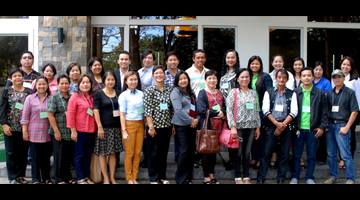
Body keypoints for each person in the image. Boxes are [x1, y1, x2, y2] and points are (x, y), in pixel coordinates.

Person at [257, 68, 298, 184]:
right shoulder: (269, 92)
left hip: (286, 126)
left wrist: (282, 125)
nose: (281, 79)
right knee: (266, 152)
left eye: (284, 77)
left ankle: (281, 178)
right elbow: (265, 109)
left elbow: (294, 111)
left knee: (284, 153)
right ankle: (261, 178)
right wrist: (276, 124)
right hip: (272, 125)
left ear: (287, 79)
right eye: (279, 77)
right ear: (275, 78)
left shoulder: (292, 93)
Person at [290, 67, 328, 184]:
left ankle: (309, 177)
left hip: (313, 129)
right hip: (299, 129)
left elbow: (324, 112)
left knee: (311, 155)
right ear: (301, 77)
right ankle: (295, 176)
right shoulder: (296, 92)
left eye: (309, 75)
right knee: (297, 155)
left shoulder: (320, 93)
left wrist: (322, 127)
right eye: (304, 75)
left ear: (312, 77)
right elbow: (291, 111)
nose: (306, 78)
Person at [226, 68, 261, 184]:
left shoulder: (253, 92)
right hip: (238, 127)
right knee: (238, 153)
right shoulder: (234, 92)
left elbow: (256, 111)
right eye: (242, 77)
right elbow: (229, 111)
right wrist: (233, 127)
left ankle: (246, 177)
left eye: (247, 77)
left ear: (250, 78)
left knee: (247, 153)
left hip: (251, 127)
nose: (244, 79)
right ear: (238, 79)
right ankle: (237, 177)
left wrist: (258, 127)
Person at [324, 69, 358, 184]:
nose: (337, 79)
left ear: (344, 78)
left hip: (342, 125)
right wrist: (325, 125)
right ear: (332, 79)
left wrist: (347, 127)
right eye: (334, 77)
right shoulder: (329, 93)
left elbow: (354, 111)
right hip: (330, 125)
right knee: (331, 153)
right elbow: (325, 110)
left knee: (345, 154)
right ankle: (333, 176)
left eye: (339, 77)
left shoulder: (350, 92)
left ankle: (350, 179)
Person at [0, 67, 32, 184]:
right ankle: (12, 177)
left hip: (24, 128)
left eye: (19, 75)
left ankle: (20, 176)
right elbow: (2, 109)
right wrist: (4, 124)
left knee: (23, 152)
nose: (17, 78)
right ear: (10, 79)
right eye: (15, 76)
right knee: (11, 152)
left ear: (23, 78)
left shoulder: (28, 92)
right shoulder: (6, 91)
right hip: (10, 127)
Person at [144, 65, 174, 184]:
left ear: (164, 75)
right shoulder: (149, 90)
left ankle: (162, 177)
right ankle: (153, 178)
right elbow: (148, 110)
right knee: (153, 153)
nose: (159, 75)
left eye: (161, 73)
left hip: (166, 127)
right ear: (153, 76)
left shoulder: (169, 90)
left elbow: (172, 110)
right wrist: (150, 127)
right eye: (156, 73)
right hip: (154, 127)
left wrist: (173, 126)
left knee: (163, 153)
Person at [21, 76, 53, 184]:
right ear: (35, 85)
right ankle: (36, 179)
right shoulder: (30, 98)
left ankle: (46, 178)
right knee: (35, 159)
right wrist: (24, 131)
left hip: (47, 133)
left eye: (44, 84)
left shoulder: (51, 98)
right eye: (39, 84)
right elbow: (25, 117)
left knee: (46, 158)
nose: (41, 86)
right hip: (33, 133)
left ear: (47, 85)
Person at [197, 69, 226, 184]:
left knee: (214, 151)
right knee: (205, 151)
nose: (212, 80)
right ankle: (205, 178)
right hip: (207, 126)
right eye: (209, 78)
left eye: (214, 78)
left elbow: (225, 106)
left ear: (217, 80)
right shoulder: (202, 92)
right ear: (205, 80)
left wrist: (223, 111)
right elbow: (202, 110)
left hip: (218, 127)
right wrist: (218, 113)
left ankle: (212, 175)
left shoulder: (219, 92)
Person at [93, 70, 123, 184]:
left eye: (112, 79)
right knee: (103, 153)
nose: (110, 82)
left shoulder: (119, 93)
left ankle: (112, 177)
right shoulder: (99, 93)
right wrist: (99, 127)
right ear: (104, 80)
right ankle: (105, 177)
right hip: (104, 128)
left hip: (116, 128)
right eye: (108, 79)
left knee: (113, 153)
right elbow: (96, 111)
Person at [66, 74, 97, 184]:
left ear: (91, 84)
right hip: (79, 131)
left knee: (88, 154)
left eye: (87, 82)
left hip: (91, 130)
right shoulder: (75, 96)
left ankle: (86, 176)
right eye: (83, 82)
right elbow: (70, 114)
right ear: (79, 85)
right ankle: (80, 178)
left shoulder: (93, 96)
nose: (85, 84)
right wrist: (73, 131)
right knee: (79, 154)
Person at [170, 70, 199, 184]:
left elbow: (194, 107)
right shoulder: (175, 92)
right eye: (180, 79)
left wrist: (196, 120)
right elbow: (178, 110)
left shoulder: (190, 92)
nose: (183, 81)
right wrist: (191, 120)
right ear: (177, 81)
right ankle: (180, 179)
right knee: (184, 150)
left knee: (191, 151)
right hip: (181, 125)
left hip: (192, 125)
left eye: (185, 78)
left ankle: (188, 177)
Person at [113, 50, 141, 168]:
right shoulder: (113, 74)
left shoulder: (134, 75)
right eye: (122, 59)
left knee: (135, 150)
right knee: (119, 139)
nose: (124, 61)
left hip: (132, 112)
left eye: (126, 59)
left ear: (129, 61)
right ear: (118, 61)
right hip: (115, 108)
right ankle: (117, 162)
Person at [268, 54, 295, 169]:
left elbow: (289, 92)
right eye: (276, 61)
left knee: (285, 143)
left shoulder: (289, 76)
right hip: (273, 117)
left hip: (286, 115)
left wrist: (282, 124)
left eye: (280, 61)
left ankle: (285, 161)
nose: (278, 63)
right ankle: (273, 158)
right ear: (272, 63)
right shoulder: (268, 76)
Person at [47, 74, 76, 184]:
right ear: (58, 85)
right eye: (62, 83)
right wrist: (56, 131)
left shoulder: (71, 97)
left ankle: (68, 177)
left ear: (69, 85)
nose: (64, 85)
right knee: (59, 156)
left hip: (69, 131)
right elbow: (50, 115)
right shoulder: (54, 97)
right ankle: (58, 179)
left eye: (66, 83)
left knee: (67, 157)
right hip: (58, 131)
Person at [247, 55, 273, 170]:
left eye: (256, 64)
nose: (254, 66)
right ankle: (254, 157)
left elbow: (270, 94)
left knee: (261, 136)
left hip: (261, 111)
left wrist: (266, 111)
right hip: (249, 111)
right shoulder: (247, 76)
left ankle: (261, 159)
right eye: (252, 63)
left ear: (260, 65)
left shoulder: (265, 77)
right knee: (252, 136)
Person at [119, 71, 145, 184]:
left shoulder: (141, 94)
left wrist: (144, 127)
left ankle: (134, 176)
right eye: (131, 80)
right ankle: (129, 178)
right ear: (126, 82)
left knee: (138, 152)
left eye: (135, 79)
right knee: (129, 153)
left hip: (140, 124)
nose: (133, 82)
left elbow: (143, 111)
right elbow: (122, 114)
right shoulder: (124, 95)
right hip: (129, 124)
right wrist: (124, 130)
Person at [335, 56, 360, 169]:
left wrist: (356, 111)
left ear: (351, 67)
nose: (345, 66)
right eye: (343, 64)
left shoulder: (355, 79)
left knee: (350, 137)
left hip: (351, 113)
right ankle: (341, 159)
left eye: (348, 65)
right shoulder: (336, 77)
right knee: (340, 136)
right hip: (338, 113)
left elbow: (358, 97)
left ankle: (348, 158)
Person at [219, 49, 240, 170]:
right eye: (228, 58)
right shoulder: (223, 75)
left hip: (236, 110)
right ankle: (231, 159)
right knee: (229, 135)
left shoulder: (238, 74)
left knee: (235, 135)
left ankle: (235, 161)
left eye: (232, 57)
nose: (230, 60)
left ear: (236, 59)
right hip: (225, 111)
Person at [138, 50, 156, 168]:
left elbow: (154, 89)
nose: (147, 60)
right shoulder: (139, 72)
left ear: (153, 59)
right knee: (143, 133)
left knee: (151, 133)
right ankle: (144, 156)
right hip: (140, 106)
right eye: (145, 58)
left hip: (152, 106)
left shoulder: (155, 72)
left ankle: (150, 158)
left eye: (149, 58)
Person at [312, 61, 332, 166]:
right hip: (312, 113)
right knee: (313, 136)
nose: (318, 72)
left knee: (323, 136)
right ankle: (313, 156)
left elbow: (326, 96)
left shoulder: (326, 82)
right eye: (316, 69)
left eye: (320, 70)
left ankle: (322, 158)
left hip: (322, 111)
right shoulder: (310, 81)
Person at [164, 51, 181, 163]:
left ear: (178, 61)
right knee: (166, 132)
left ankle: (178, 155)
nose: (173, 62)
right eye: (170, 60)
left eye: (175, 59)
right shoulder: (163, 74)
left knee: (179, 133)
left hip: (180, 108)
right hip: (166, 107)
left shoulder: (182, 74)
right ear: (166, 62)